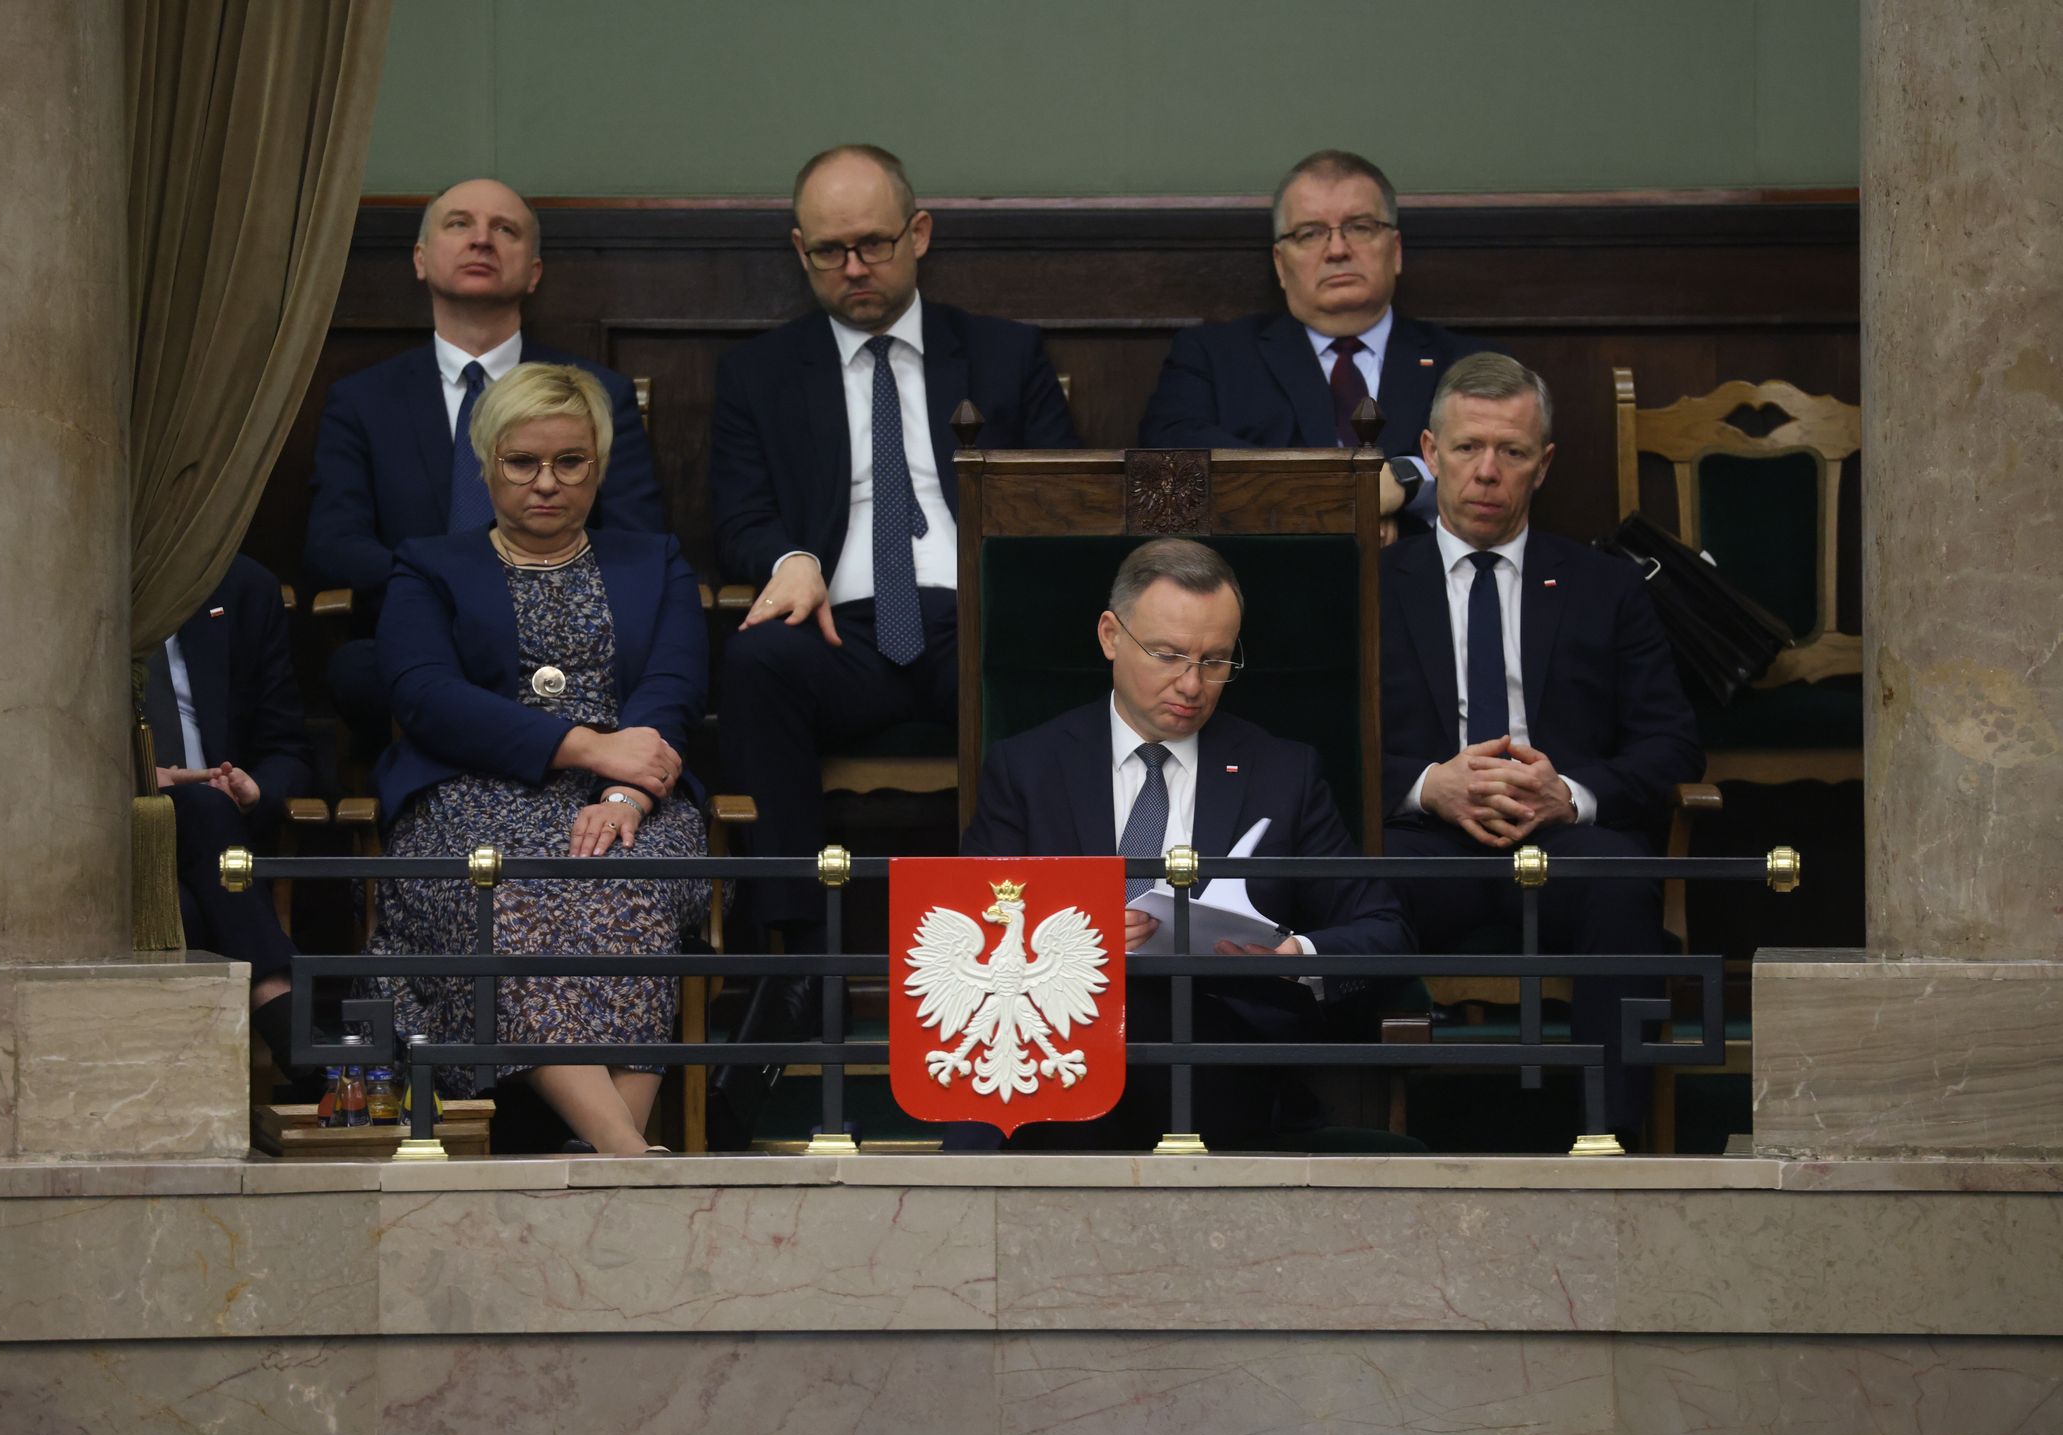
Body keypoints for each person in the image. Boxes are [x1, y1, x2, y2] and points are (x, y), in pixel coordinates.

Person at [711, 143, 1081, 953]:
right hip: (838, 628)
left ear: (917, 234)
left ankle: (1027, 939)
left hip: (971, 619)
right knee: (751, 665)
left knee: (1037, 664)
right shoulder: (757, 374)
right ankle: (794, 950)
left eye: (872, 244)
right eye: (827, 251)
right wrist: (788, 560)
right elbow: (736, 516)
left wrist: (1004, 590)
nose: (852, 267)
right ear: (797, 251)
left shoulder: (1003, 354)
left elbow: (1062, 503)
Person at [959, 538, 1413, 1150]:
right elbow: (968, 927)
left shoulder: (1282, 774)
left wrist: (1297, 958)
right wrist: (1074, 941)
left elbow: (1383, 929)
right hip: (1055, 1055)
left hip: (1223, 1069)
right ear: (1110, 636)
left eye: (1217, 660)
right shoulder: (1029, 768)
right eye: (1169, 655)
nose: (1193, 684)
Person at [363, 363, 708, 1156]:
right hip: (467, 793)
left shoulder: (652, 559)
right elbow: (423, 695)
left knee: (632, 891)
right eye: (522, 463)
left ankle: (610, 1151)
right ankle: (626, 1152)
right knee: (509, 900)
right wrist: (584, 745)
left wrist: (624, 793)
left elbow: (674, 685)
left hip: (628, 796)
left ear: (598, 465)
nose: (545, 483)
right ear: (487, 466)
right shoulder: (429, 564)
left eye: (569, 462)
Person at [1378, 353, 1703, 1141]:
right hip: (1423, 845)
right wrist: (1429, 786)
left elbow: (1671, 744)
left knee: (1626, 887)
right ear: (1428, 451)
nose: (1486, 472)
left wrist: (1572, 795)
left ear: (1543, 463)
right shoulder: (1373, 582)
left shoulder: (1605, 587)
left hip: (1566, 844)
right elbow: (1318, 752)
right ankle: (1370, 1145)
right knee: (1352, 891)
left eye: (1512, 452)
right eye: (1465, 449)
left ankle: (1611, 1145)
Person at [303, 177, 666, 755]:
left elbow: (636, 537)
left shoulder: (599, 393)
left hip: (567, 635)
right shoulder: (363, 400)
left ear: (535, 271)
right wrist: (449, 586)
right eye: (459, 224)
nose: (481, 240)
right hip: (423, 636)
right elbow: (333, 544)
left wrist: (529, 592)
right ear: (421, 260)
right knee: (357, 670)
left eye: (505, 229)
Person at [1137, 150, 1492, 537]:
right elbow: (1169, 455)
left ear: (1395, 251)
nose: (1338, 250)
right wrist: (1339, 502)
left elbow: (1499, 465)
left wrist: (1406, 478)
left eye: (1360, 227)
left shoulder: (1466, 363)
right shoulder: (1212, 356)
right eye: (1310, 233)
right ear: (1280, 264)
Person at [142, 553, 316, 1082]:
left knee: (192, 913)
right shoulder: (62, 590)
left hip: (215, 836)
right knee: (199, 817)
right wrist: (135, 777)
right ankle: (298, 1036)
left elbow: (287, 746)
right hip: (101, 824)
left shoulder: (239, 586)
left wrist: (254, 787)